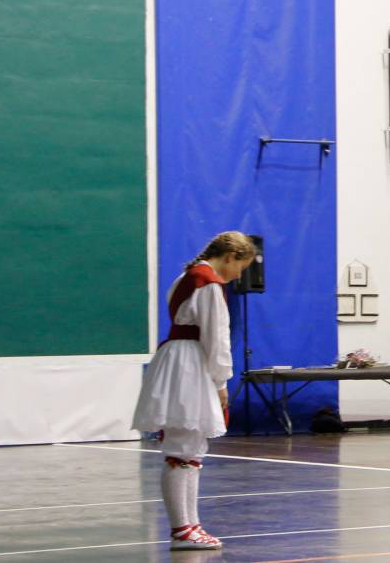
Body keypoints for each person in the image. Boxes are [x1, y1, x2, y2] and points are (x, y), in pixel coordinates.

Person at [132, 231, 257, 551]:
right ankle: (184, 528)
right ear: (229, 256)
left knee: (187, 449)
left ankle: (189, 524)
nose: (239, 275)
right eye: (240, 266)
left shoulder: (186, 277)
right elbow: (217, 339)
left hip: (177, 359)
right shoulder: (209, 284)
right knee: (184, 448)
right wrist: (221, 382)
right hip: (189, 365)